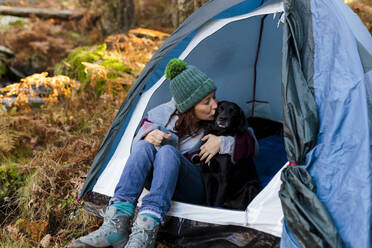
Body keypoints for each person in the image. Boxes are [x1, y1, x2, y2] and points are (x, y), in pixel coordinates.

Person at [71, 58, 258, 248]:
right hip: (159, 181)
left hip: (194, 188)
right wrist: (146, 136)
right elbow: (135, 145)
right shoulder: (160, 115)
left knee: (168, 151)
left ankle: (146, 230)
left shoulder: (214, 121)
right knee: (144, 147)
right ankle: (115, 225)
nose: (216, 105)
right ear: (189, 106)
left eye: (214, 97)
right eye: (207, 101)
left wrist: (223, 142)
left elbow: (251, 141)